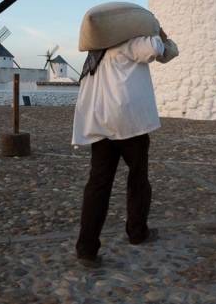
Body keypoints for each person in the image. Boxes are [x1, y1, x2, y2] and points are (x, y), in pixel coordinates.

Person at [72, 27, 178, 267]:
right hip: (129, 124)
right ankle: (137, 232)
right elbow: (156, 49)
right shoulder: (129, 41)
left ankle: (86, 248)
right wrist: (158, 32)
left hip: (100, 124)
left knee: (98, 184)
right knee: (138, 178)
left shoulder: (95, 52)